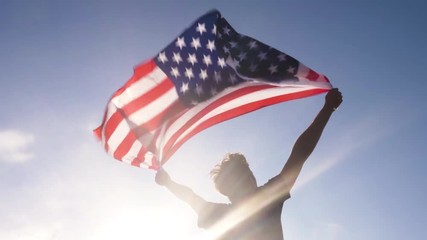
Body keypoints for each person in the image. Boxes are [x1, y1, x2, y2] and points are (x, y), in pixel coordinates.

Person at [155, 88, 343, 240]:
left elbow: (299, 155)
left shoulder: (266, 198)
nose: (249, 178)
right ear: (226, 190)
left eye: (247, 173)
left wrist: (327, 110)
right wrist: (168, 183)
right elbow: (191, 197)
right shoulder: (222, 213)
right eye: (240, 177)